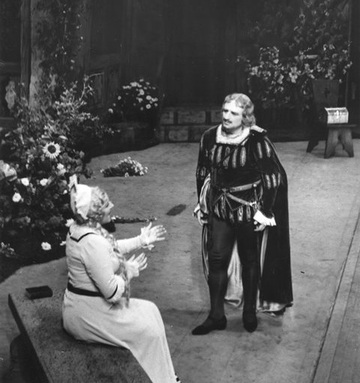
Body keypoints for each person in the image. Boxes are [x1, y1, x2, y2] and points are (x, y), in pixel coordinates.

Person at [62, 176, 181, 383]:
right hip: (87, 315)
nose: (112, 206)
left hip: (83, 306)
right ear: (96, 213)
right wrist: (128, 272)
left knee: (151, 309)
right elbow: (111, 292)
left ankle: (165, 377)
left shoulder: (81, 230)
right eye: (107, 205)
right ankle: (155, 379)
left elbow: (109, 249)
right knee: (149, 331)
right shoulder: (91, 242)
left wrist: (141, 240)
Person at [192, 93, 293, 335]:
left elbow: (272, 178)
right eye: (225, 111)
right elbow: (202, 172)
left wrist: (265, 212)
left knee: (250, 260)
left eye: (234, 113)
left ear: (245, 117)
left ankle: (249, 313)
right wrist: (202, 203)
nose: (227, 116)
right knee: (217, 259)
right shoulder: (209, 138)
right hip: (218, 207)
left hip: (247, 210)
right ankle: (216, 316)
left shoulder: (257, 141)